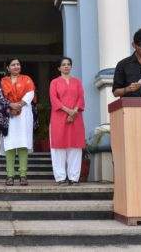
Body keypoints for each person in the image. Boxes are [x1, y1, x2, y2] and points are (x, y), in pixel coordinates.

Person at [0, 58, 35, 186]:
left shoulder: (27, 79)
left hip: (24, 114)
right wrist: (11, 106)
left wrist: (19, 105)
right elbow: (0, 98)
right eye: (13, 65)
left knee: (23, 144)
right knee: (10, 145)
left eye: (18, 64)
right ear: (8, 68)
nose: (16, 66)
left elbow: (30, 94)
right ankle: (10, 175)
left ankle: (23, 175)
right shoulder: (3, 81)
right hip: (9, 116)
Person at [49, 57, 85, 185]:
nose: (66, 66)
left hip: (76, 118)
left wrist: (74, 111)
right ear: (59, 68)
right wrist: (68, 111)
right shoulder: (54, 82)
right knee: (59, 148)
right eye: (63, 65)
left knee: (75, 147)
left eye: (68, 64)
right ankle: (60, 177)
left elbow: (81, 98)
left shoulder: (77, 82)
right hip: (59, 118)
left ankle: (74, 177)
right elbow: (54, 99)